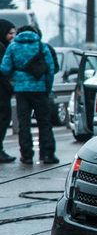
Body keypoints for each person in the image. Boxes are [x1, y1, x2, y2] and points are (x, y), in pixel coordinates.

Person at [0, 25, 58, 164]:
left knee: (24, 124)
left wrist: (16, 78)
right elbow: (51, 69)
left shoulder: (13, 47)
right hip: (40, 90)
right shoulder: (42, 46)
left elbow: (4, 68)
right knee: (44, 122)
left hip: (21, 91)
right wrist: (47, 87)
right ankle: (48, 154)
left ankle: (26, 155)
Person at [0, 20, 15, 163]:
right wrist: (11, 88)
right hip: (2, 92)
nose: (12, 36)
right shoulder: (1, 48)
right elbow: (3, 71)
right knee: (3, 119)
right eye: (10, 33)